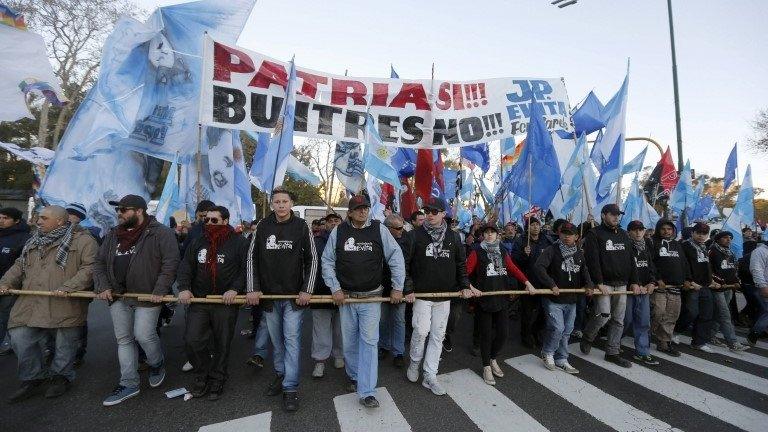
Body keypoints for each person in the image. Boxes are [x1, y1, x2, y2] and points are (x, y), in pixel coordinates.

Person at [0, 206, 98, 402]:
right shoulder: (33, 240)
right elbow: (19, 265)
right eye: (38, 217)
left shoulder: (84, 241)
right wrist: (5, 282)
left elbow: (90, 267)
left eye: (44, 218)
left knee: (64, 344)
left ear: (60, 221)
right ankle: (32, 378)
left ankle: (61, 377)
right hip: (31, 301)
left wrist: (70, 286)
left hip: (64, 301)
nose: (38, 221)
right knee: (20, 337)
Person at [93, 195, 180, 406]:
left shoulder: (161, 233)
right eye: (118, 210)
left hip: (148, 295)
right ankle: (129, 382)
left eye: (124, 210)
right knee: (124, 339)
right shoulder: (113, 234)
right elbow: (99, 263)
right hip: (118, 295)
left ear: (139, 211)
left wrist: (160, 289)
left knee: (143, 334)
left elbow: (170, 262)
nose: (120, 214)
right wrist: (103, 286)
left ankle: (156, 362)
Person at [322, 195, 406, 408]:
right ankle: (354, 375)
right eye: (358, 209)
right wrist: (335, 288)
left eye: (365, 208)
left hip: (371, 297)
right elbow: (327, 261)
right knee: (350, 342)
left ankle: (367, 390)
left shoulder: (379, 230)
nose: (362, 212)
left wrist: (397, 287)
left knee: (369, 342)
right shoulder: (339, 231)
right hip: (346, 298)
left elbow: (395, 257)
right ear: (349, 212)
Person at [245, 187, 317, 412]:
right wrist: (253, 288)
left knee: (292, 340)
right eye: (277, 201)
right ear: (273, 204)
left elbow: (312, 259)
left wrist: (307, 289)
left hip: (294, 297)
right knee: (277, 342)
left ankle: (290, 387)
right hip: (269, 296)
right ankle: (280, 374)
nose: (281, 205)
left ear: (291, 203)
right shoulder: (263, 226)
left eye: (285, 201)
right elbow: (251, 259)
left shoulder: (301, 226)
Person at [176, 206, 248, 400]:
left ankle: (218, 377)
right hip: (199, 301)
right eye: (206, 220)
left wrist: (235, 289)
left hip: (225, 303)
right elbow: (186, 266)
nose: (209, 223)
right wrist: (183, 287)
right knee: (192, 340)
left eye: (214, 220)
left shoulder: (239, 242)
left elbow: (245, 269)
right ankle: (201, 374)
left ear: (225, 221)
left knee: (222, 343)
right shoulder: (198, 241)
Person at [405, 197, 470, 396]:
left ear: (444, 214)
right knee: (421, 331)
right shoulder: (414, 235)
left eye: (435, 212)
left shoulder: (454, 237)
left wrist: (465, 285)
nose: (430, 215)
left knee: (438, 336)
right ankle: (415, 362)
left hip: (445, 296)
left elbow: (461, 264)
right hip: (422, 295)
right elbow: (405, 264)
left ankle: (430, 375)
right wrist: (408, 289)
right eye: (427, 211)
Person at [467, 224, 534, 385]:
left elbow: (512, 268)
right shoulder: (477, 252)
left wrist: (527, 282)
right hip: (484, 300)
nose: (490, 235)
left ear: (498, 235)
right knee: (486, 335)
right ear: (483, 235)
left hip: (501, 298)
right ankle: (486, 366)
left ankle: (492, 357)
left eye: (493, 232)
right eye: (487, 232)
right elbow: (464, 273)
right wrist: (471, 288)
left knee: (503, 334)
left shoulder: (502, 251)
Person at [579, 204, 638, 368]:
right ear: (604, 215)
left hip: (622, 284)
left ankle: (612, 352)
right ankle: (588, 336)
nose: (616, 217)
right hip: (604, 284)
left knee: (619, 320)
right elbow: (592, 260)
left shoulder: (624, 235)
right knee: (603, 316)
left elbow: (630, 260)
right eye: (612, 214)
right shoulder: (594, 234)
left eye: (618, 215)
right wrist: (598, 282)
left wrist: (634, 281)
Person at [534, 221, 592, 374]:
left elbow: (584, 271)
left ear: (576, 237)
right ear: (559, 234)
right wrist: (551, 284)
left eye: (570, 234)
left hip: (571, 299)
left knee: (567, 330)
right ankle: (547, 353)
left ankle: (562, 358)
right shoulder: (551, 250)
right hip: (553, 299)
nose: (567, 237)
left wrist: (589, 285)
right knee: (557, 328)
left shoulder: (579, 253)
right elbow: (539, 267)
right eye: (564, 233)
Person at [309, 210, 344, 379]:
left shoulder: (348, 240)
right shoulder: (316, 241)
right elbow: (310, 266)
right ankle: (320, 361)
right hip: (321, 292)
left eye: (337, 220)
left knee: (341, 329)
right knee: (321, 330)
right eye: (330, 221)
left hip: (344, 293)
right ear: (326, 224)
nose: (334, 223)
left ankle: (339, 355)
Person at [65, 202, 99, 367]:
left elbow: (90, 266)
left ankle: (78, 351)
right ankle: (55, 352)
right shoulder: (54, 234)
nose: (67, 216)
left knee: (76, 321)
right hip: (55, 287)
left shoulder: (89, 237)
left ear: (78, 217)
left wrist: (73, 285)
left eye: (70, 214)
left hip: (78, 288)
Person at [511, 216, 553, 348]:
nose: (535, 227)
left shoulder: (546, 240)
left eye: (537, 224)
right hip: (527, 281)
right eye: (532, 225)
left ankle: (536, 332)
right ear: (527, 227)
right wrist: (524, 255)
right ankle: (526, 336)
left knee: (543, 311)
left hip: (543, 282)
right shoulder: (520, 241)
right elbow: (514, 262)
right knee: (527, 312)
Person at [650, 219, 690, 357]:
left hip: (675, 287)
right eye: (663, 229)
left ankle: (664, 342)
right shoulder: (653, 243)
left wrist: (687, 279)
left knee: (671, 315)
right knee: (658, 312)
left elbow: (684, 263)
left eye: (669, 229)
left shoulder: (677, 245)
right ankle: (649, 332)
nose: (666, 231)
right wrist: (657, 279)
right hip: (659, 287)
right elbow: (650, 263)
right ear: (658, 230)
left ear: (673, 230)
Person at [379, 214, 412, 368]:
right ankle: (384, 346)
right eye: (398, 228)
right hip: (382, 287)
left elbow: (408, 266)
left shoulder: (406, 241)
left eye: (402, 227)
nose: (401, 230)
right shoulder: (378, 239)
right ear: (388, 228)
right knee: (383, 320)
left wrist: (404, 289)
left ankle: (398, 352)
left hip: (401, 288)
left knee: (399, 320)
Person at [624, 221, 659, 365]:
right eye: (635, 230)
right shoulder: (624, 246)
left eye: (641, 230)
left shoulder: (647, 246)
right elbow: (624, 268)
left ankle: (643, 351)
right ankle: (614, 342)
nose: (638, 233)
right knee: (626, 320)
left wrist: (652, 282)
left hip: (644, 290)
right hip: (627, 290)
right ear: (629, 232)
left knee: (643, 321)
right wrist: (632, 283)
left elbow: (651, 267)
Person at [708, 230, 749, 351]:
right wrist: (722, 282)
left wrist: (736, 281)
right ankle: (733, 342)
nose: (728, 240)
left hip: (729, 288)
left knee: (719, 314)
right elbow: (709, 271)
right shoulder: (712, 251)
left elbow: (733, 269)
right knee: (725, 315)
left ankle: (711, 335)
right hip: (718, 288)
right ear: (718, 239)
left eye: (730, 238)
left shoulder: (730, 252)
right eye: (725, 237)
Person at [680, 222, 716, 352]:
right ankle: (675, 331)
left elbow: (707, 265)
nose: (701, 236)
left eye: (704, 234)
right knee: (691, 312)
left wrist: (711, 280)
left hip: (705, 285)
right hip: (692, 286)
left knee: (706, 314)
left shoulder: (704, 246)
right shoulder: (685, 245)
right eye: (699, 233)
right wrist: (689, 280)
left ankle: (699, 342)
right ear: (693, 233)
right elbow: (683, 265)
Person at [0, 207, 31, 356]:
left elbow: (23, 264)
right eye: (0, 217)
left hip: (10, 286)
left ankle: (12, 344)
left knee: (6, 316)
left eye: (5, 218)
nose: (1, 220)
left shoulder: (24, 238)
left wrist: (11, 282)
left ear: (16, 220)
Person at [747, 240, 768, 346]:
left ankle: (757, 331)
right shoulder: (760, 252)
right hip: (764, 286)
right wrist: (763, 286)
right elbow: (756, 269)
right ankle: (755, 332)